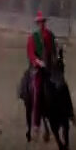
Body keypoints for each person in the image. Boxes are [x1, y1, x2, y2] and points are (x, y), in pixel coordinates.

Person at [26, 12, 57, 140]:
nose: (42, 24)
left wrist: (55, 60)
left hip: (49, 66)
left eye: (43, 21)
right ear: (37, 23)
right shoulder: (33, 37)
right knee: (38, 90)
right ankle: (36, 123)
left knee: (60, 85)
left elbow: (53, 49)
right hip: (38, 68)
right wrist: (39, 62)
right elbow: (31, 54)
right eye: (40, 22)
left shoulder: (50, 35)